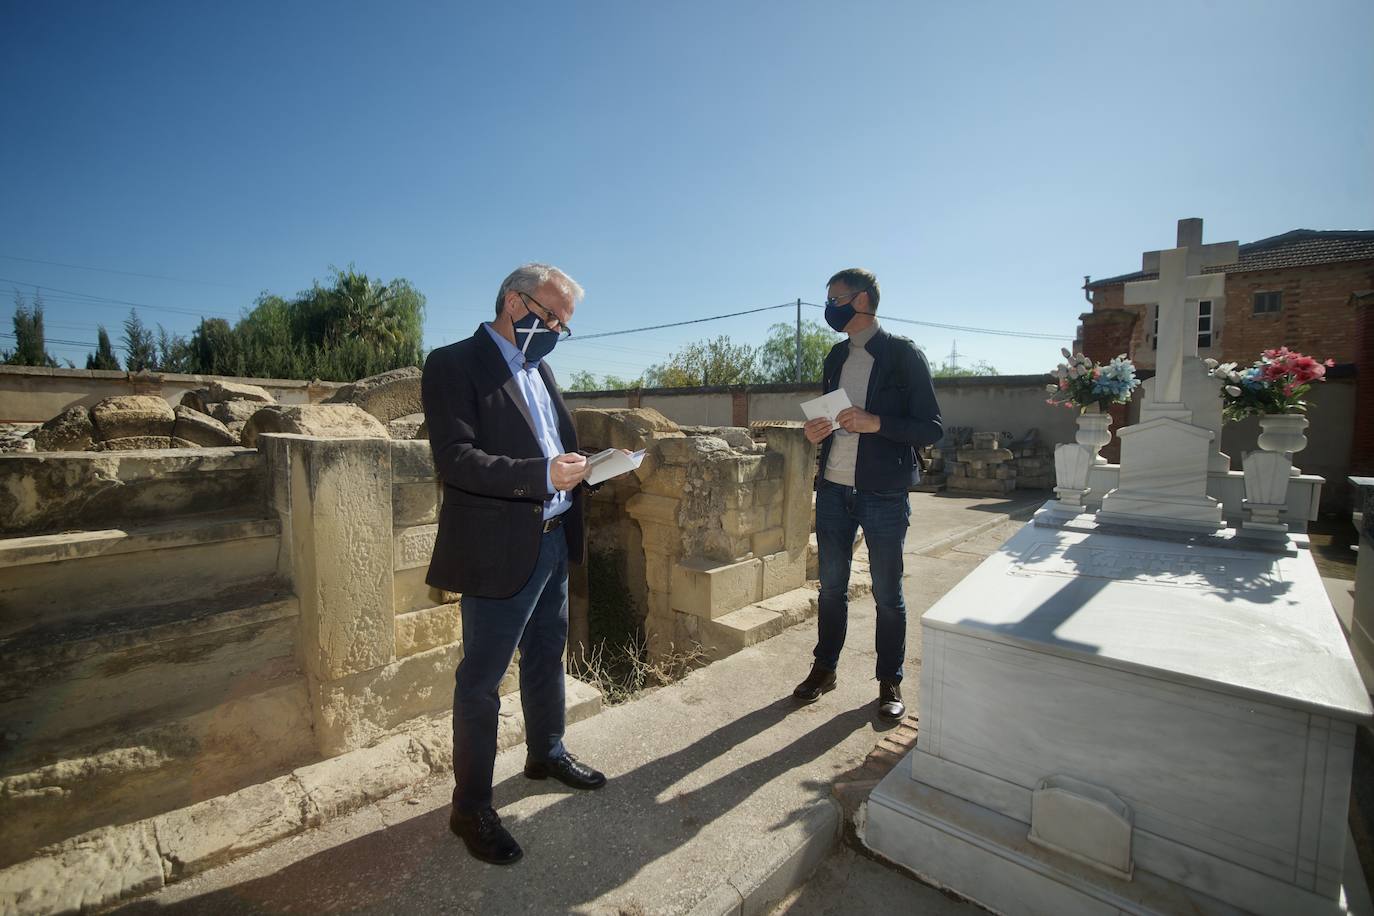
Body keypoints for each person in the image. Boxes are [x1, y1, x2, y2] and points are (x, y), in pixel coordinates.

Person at [421, 263, 606, 866]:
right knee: (481, 682)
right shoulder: (453, 363)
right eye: (549, 316)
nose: (554, 329)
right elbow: (457, 459)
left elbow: (545, 446)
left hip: (552, 538)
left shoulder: (540, 367)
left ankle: (545, 752)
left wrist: (579, 467)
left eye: (562, 324)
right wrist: (540, 475)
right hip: (498, 549)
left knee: (548, 654)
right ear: (512, 300)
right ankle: (469, 806)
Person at [793, 268, 942, 720]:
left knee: (886, 593)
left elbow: (932, 428)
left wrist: (877, 422)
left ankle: (889, 680)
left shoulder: (903, 355)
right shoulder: (835, 357)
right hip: (834, 491)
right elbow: (830, 418)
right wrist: (815, 430)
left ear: (860, 301)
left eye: (835, 298)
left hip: (884, 494)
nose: (829, 307)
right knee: (831, 588)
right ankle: (825, 667)